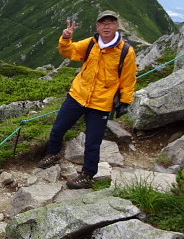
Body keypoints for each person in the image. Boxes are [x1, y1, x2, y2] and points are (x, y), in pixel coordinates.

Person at [38, 10, 137, 188]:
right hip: (78, 95)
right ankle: (53, 153)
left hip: (101, 103)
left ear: (117, 25)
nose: (106, 26)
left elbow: (128, 79)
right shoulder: (91, 43)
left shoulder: (126, 51)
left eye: (110, 23)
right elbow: (69, 52)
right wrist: (66, 38)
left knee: (93, 141)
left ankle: (87, 175)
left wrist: (125, 101)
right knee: (58, 128)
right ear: (97, 26)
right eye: (102, 23)